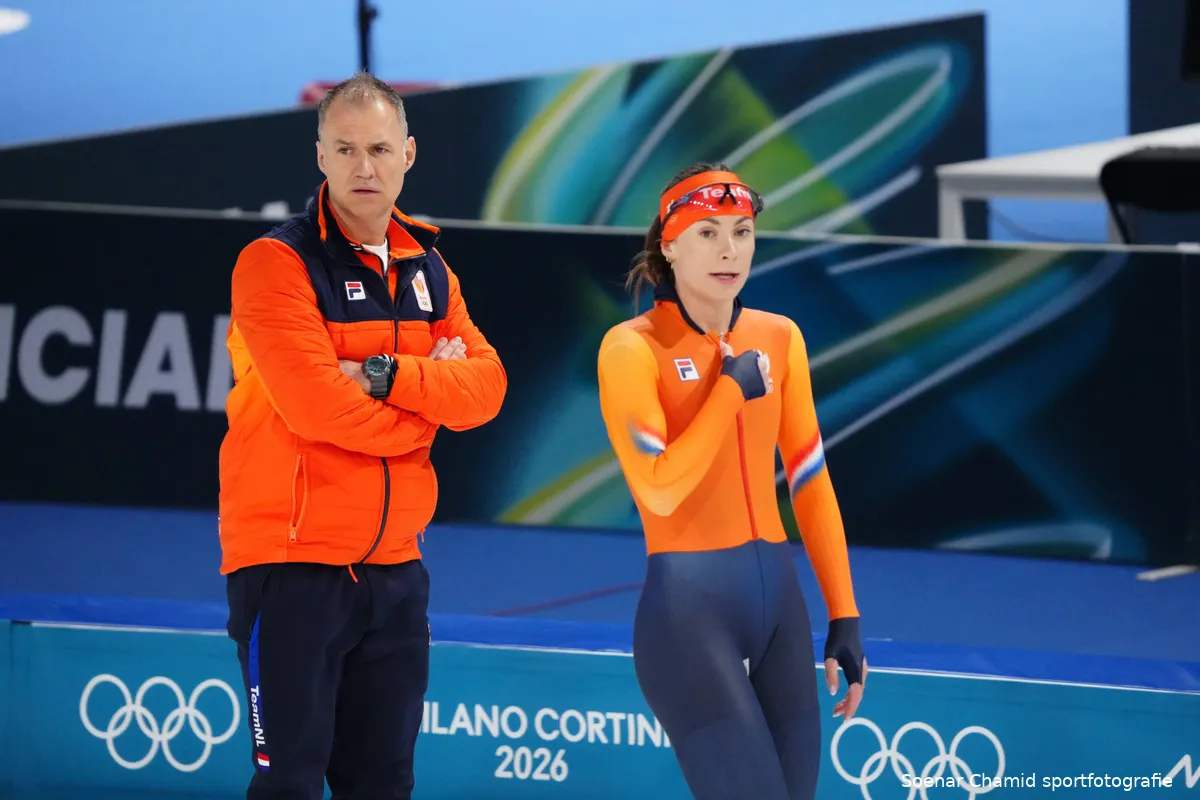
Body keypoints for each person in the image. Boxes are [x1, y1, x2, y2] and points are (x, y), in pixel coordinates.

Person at [217, 72, 507, 799]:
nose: (363, 167)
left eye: (379, 149)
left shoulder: (430, 270)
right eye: (345, 149)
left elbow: (488, 389)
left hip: (397, 570)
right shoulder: (275, 264)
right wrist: (431, 402)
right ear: (321, 157)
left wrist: (382, 375)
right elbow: (319, 411)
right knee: (288, 784)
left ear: (408, 153)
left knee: (384, 784)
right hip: (292, 567)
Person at [595, 162, 866, 800]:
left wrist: (845, 612)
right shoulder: (631, 349)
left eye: (742, 233)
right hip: (689, 618)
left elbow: (810, 480)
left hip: (781, 609)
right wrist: (728, 392)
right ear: (669, 245)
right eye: (708, 233)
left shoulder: (780, 337)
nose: (729, 251)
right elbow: (658, 488)